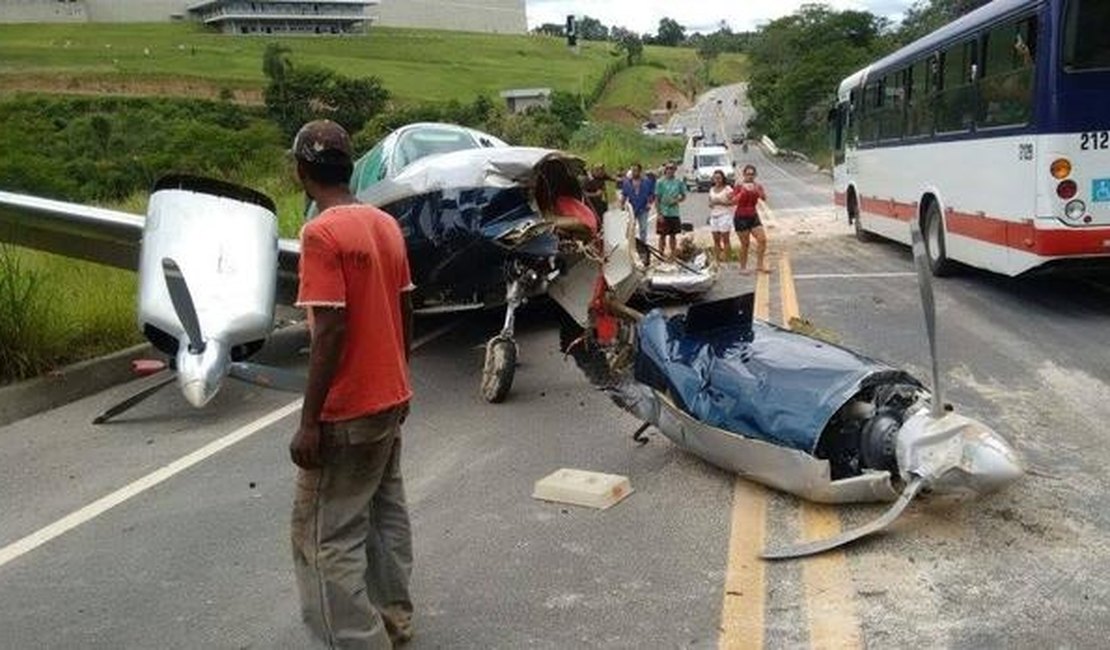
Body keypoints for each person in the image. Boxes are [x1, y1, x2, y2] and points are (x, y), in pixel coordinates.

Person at [289, 119, 416, 649]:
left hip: (347, 412)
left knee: (323, 538)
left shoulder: (320, 233)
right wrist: (401, 380)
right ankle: (394, 620)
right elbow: (407, 307)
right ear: (349, 166)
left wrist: (309, 421)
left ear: (302, 173)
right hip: (389, 399)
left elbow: (331, 329)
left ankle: (357, 641)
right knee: (384, 512)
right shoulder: (384, 225)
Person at [732, 163, 769, 274]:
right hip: (741, 217)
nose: (750, 176)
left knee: (762, 239)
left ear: (755, 175)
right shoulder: (739, 186)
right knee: (745, 244)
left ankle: (759, 265)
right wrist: (743, 192)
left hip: (753, 215)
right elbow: (733, 201)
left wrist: (757, 191)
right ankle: (743, 267)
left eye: (752, 174)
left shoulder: (758, 186)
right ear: (744, 175)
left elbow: (764, 198)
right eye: (748, 174)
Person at [654, 162, 685, 258]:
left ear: (675, 170)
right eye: (668, 168)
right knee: (662, 235)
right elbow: (657, 198)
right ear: (665, 170)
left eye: (672, 168)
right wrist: (659, 213)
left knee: (673, 235)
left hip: (674, 212)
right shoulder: (660, 182)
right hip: (664, 211)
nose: (670, 170)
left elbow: (683, 196)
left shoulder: (678, 182)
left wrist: (676, 200)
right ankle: (661, 253)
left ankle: (673, 254)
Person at [620, 162, 655, 243]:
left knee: (643, 228)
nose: (634, 172)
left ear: (640, 171)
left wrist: (649, 203)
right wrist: (621, 206)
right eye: (632, 170)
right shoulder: (627, 183)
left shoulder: (646, 182)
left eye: (636, 170)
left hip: (643, 208)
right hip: (632, 208)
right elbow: (624, 195)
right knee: (630, 228)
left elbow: (651, 194)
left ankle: (643, 245)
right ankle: (631, 245)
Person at [706, 169, 734, 263]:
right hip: (714, 215)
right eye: (715, 178)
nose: (717, 180)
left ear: (723, 179)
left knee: (725, 238)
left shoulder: (727, 189)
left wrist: (721, 202)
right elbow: (710, 202)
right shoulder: (711, 189)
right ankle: (717, 259)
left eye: (719, 178)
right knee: (716, 239)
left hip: (724, 215)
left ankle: (727, 258)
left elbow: (733, 202)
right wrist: (711, 204)